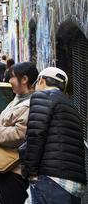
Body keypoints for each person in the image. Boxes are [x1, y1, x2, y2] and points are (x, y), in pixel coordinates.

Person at [22, 67, 86, 203]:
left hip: (51, 181)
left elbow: (35, 135)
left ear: (41, 80)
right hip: (75, 185)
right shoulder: (72, 108)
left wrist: (30, 173)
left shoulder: (43, 96)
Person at [0, 62, 38, 204]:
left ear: (24, 79)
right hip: (4, 164)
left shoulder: (31, 104)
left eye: (12, 77)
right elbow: (6, 120)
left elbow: (17, 135)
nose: (9, 81)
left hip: (14, 169)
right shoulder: (19, 97)